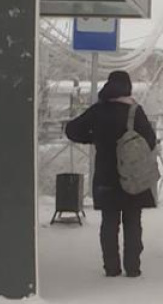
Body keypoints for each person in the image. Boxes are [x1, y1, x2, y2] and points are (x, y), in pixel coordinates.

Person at [65, 71, 157, 278]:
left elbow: (72, 130)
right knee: (133, 222)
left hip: (106, 175)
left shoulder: (98, 111)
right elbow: (150, 139)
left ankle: (111, 268)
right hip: (133, 175)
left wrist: (94, 138)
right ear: (128, 87)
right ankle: (133, 268)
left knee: (109, 223)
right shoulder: (135, 111)